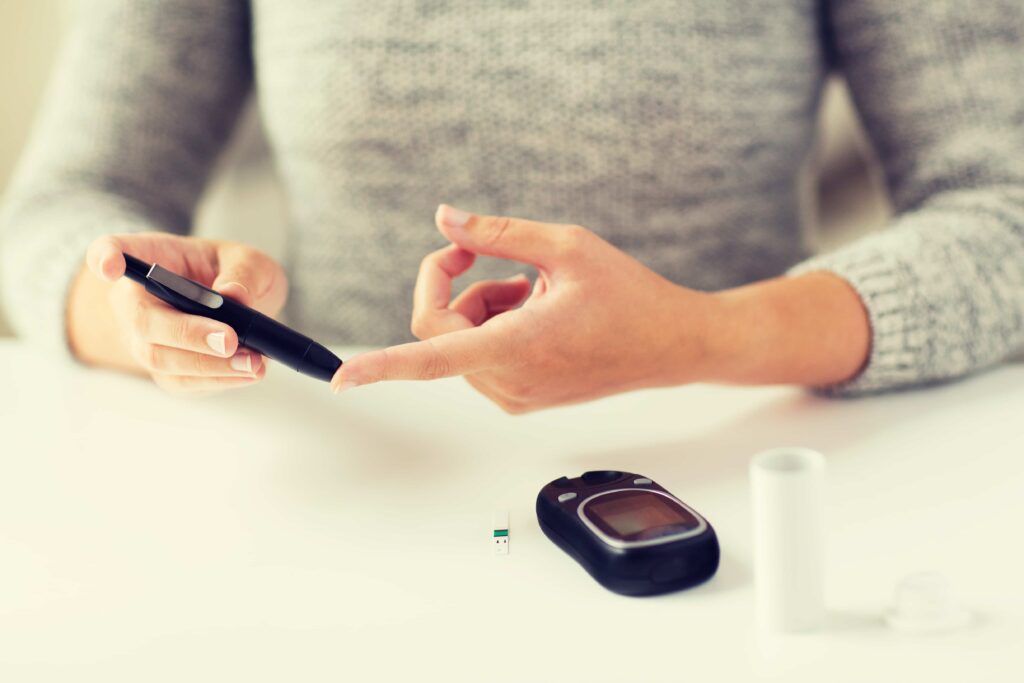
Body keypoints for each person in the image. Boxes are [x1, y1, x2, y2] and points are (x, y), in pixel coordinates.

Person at [1, 1, 1022, 411]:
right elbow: (63, 206)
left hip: (739, 460)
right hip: (351, 480)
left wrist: (704, 335)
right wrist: (138, 319)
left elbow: (1002, 205)